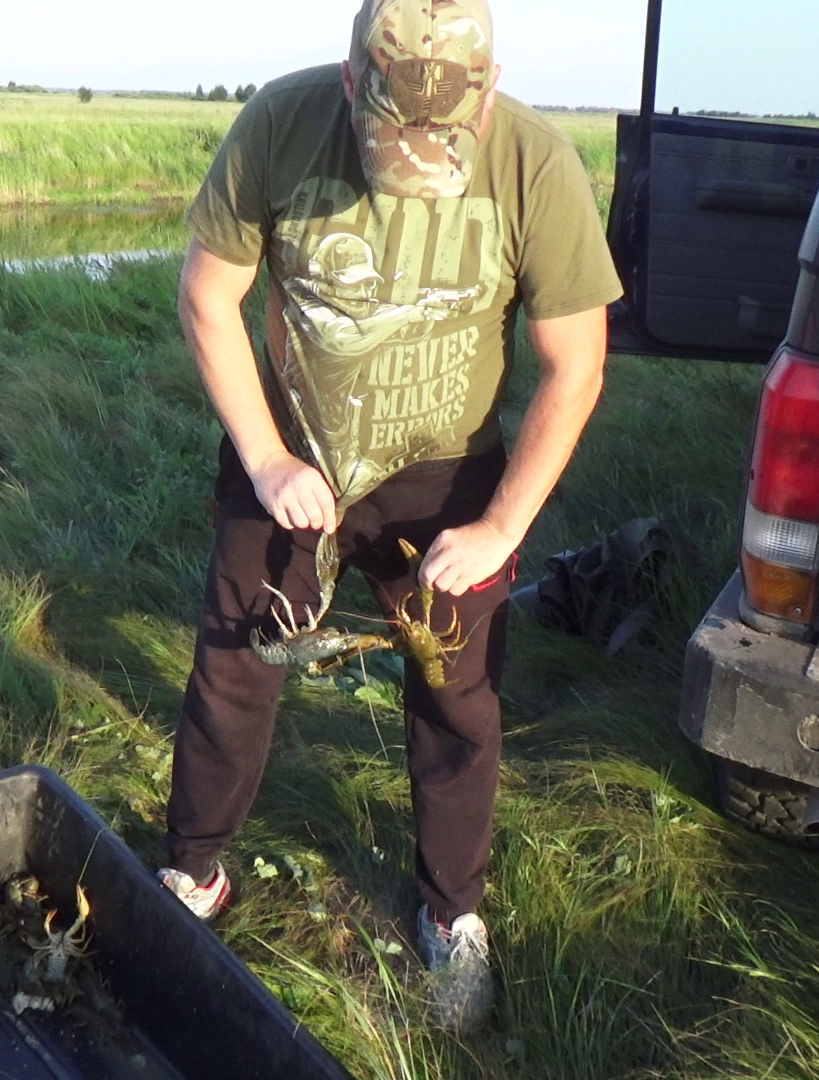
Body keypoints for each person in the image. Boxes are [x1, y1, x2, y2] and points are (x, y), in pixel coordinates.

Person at [160, 0, 621, 1030]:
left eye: (440, 136)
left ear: (488, 90)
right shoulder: (280, 127)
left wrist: (501, 528)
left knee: (458, 695)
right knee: (236, 662)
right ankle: (195, 872)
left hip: (447, 477)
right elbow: (208, 297)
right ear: (347, 79)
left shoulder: (537, 165)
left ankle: (452, 914)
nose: (414, 156)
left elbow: (574, 365)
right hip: (296, 458)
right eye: (390, 134)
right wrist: (267, 457)